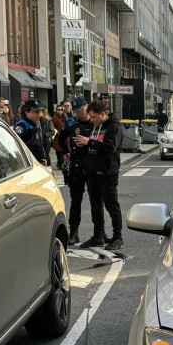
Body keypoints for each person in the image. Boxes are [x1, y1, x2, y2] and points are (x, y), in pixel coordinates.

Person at [73, 100, 124, 250]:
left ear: (103, 114)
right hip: (92, 172)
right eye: (91, 117)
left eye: (94, 117)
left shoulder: (114, 127)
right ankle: (98, 236)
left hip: (108, 172)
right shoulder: (95, 127)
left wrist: (89, 142)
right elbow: (92, 145)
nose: (92, 120)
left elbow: (110, 147)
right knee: (96, 206)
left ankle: (117, 237)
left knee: (111, 205)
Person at [57, 97, 100, 246]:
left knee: (96, 200)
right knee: (75, 201)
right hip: (76, 165)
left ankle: (98, 232)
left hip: (92, 165)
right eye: (76, 111)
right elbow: (60, 138)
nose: (79, 113)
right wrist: (66, 153)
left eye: (81, 109)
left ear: (86, 107)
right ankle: (74, 232)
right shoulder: (71, 123)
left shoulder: (94, 123)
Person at [15, 99, 47, 166]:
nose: (40, 114)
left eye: (40, 111)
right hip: (28, 163)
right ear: (27, 112)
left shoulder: (36, 124)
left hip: (38, 162)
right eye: (36, 112)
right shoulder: (22, 126)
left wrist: (43, 158)